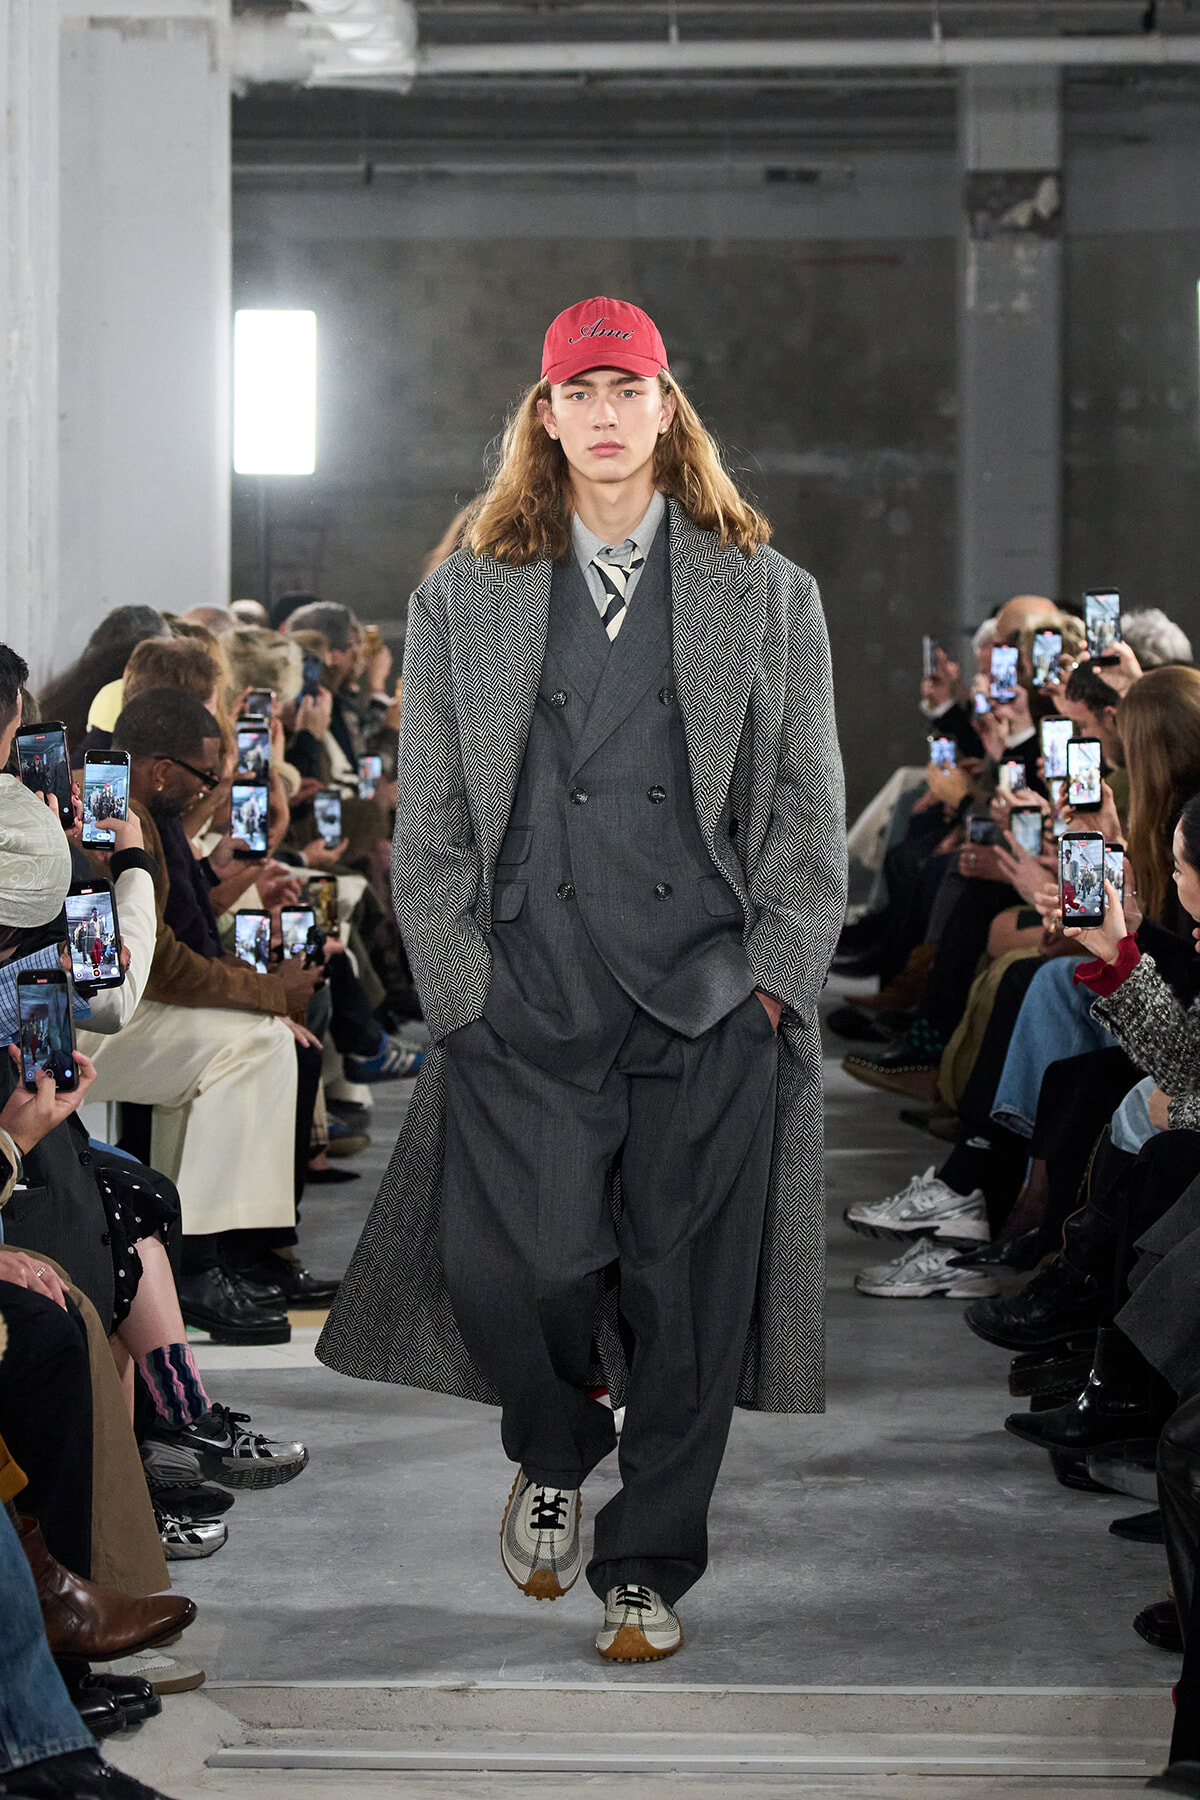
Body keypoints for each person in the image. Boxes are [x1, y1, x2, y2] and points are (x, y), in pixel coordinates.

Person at [319, 295, 846, 1662]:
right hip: (528, 995)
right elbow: (425, 819)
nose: (607, 417)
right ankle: (556, 1438)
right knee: (528, 1274)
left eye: (632, 392)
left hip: (707, 998)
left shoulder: (767, 591)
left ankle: (651, 1560)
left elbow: (805, 807)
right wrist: (459, 991)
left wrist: (773, 983)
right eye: (581, 394)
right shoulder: (465, 592)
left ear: (670, 412)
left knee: (688, 1298)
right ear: (542, 418)